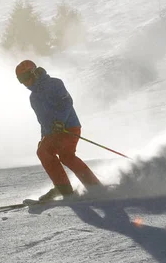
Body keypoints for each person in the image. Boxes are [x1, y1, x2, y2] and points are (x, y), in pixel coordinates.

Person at [15, 60, 102, 201]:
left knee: (66, 156)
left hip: (69, 127)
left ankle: (95, 187)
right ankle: (64, 190)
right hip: (52, 132)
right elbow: (42, 121)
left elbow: (66, 102)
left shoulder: (55, 84)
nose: (25, 82)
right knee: (43, 152)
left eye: (25, 77)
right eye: (20, 80)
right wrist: (43, 137)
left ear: (34, 72)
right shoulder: (33, 97)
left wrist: (61, 121)